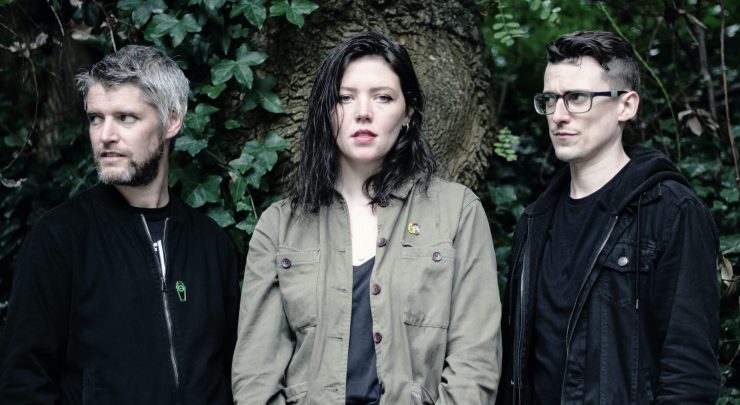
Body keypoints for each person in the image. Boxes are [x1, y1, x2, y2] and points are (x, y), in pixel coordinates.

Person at [231, 31, 502, 404]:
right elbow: (255, 377)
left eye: (383, 97)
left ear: (408, 113)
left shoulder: (457, 211)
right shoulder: (278, 227)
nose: (363, 112)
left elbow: (475, 364)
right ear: (327, 112)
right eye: (345, 97)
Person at [0, 45, 241, 404]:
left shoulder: (211, 244)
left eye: (126, 117)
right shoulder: (61, 238)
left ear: (172, 120)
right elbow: (23, 382)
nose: (105, 135)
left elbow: (232, 370)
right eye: (96, 118)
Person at [497, 30, 720, 404]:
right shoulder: (534, 222)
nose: (558, 115)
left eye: (577, 98)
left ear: (626, 106)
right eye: (549, 100)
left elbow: (689, 376)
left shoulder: (672, 213)